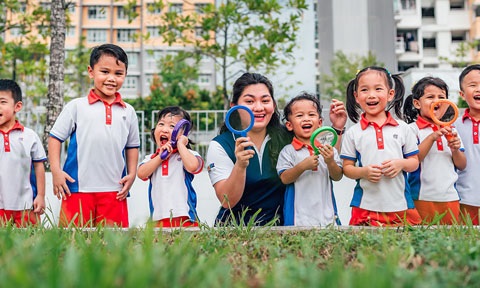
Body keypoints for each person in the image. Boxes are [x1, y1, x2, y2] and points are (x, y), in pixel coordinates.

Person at [48, 44, 140, 228]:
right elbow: (55, 138)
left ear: (125, 75)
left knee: (113, 247)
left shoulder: (128, 111)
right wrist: (56, 171)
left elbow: (132, 146)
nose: (111, 78)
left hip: (115, 190)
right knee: (71, 242)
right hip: (76, 188)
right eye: (104, 71)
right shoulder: (76, 106)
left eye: (118, 73)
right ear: (91, 72)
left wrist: (132, 174)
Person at [206, 73, 291, 226]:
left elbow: (327, 159)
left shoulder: (288, 137)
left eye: (265, 100)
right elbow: (227, 201)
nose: (259, 107)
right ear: (234, 107)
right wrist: (240, 166)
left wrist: (337, 129)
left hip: (281, 231)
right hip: (234, 233)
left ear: (273, 104)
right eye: (250, 101)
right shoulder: (221, 145)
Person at [341, 66, 421, 226]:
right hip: (365, 207)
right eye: (364, 90)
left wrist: (401, 164)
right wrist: (363, 172)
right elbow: (347, 169)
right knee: (365, 250)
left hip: (400, 205)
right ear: (356, 96)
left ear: (390, 94)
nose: (371, 95)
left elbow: (414, 162)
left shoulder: (403, 128)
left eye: (378, 89)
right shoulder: (353, 133)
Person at [276, 92, 345, 226]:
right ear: (289, 125)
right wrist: (302, 166)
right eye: (299, 115)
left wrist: (330, 161)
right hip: (298, 220)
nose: (306, 119)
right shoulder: (288, 151)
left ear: (319, 123)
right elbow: (285, 178)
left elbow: (337, 176)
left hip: (328, 218)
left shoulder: (329, 149)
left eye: (311, 115)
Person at [403, 77, 466, 224]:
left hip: (450, 198)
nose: (436, 101)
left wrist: (455, 149)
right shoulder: (411, 130)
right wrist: (431, 138)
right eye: (430, 97)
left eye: (441, 97)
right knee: (423, 240)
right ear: (417, 103)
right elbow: (413, 160)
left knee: (449, 242)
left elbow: (462, 165)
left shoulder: (452, 130)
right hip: (421, 197)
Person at [137, 106, 203, 228]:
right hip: (157, 220)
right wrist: (160, 157)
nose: (165, 129)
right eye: (161, 124)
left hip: (185, 218)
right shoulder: (152, 158)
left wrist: (181, 145)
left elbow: (193, 166)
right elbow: (141, 173)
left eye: (172, 126)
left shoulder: (186, 156)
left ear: (183, 133)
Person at [0, 79, 46, 227]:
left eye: (2, 102)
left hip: (26, 205)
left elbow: (39, 167)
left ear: (17, 106)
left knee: (30, 244)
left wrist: (40, 195)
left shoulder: (29, 136)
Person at [454, 64, 480, 225]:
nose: (478, 89)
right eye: (473, 85)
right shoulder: (452, 125)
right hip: (463, 200)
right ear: (462, 94)